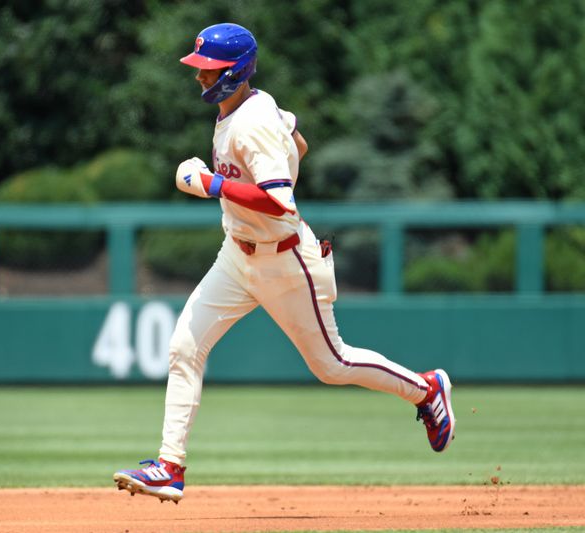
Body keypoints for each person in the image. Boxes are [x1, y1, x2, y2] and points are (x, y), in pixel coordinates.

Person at [113, 23, 455, 504]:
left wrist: (211, 185)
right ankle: (170, 466)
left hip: (285, 259)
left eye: (207, 71)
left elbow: (280, 203)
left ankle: (426, 391)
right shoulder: (254, 108)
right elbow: (299, 140)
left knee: (332, 365)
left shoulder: (251, 122)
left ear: (233, 73)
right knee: (183, 347)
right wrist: (278, 148)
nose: (199, 78)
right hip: (237, 255)